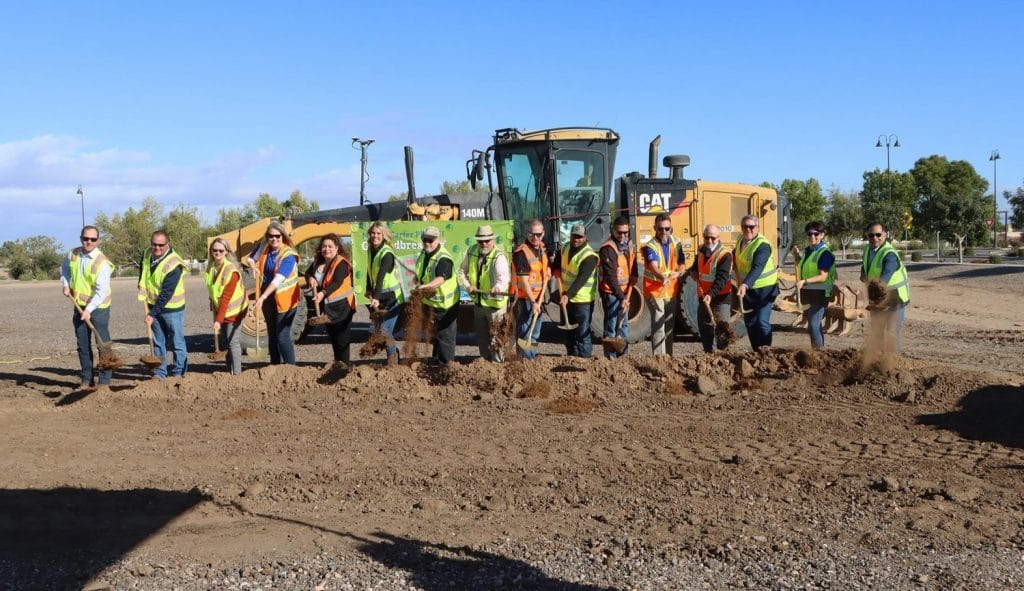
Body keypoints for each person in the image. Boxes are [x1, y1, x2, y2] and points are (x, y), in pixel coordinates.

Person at [61, 225, 115, 392]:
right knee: (83, 344)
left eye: (92, 239)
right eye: (86, 238)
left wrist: (89, 310)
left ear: (97, 240)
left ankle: (104, 382)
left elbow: (101, 291)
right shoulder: (73, 254)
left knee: (102, 344)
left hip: (98, 308)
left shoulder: (102, 263)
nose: (89, 242)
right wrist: (65, 284)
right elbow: (64, 269)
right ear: (81, 238)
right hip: (79, 306)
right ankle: (86, 380)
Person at [247, 220, 301, 365]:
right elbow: (250, 258)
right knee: (272, 334)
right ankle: (275, 366)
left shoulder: (289, 255)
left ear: (283, 236)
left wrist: (263, 297)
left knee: (282, 336)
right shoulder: (264, 246)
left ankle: (291, 368)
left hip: (286, 300)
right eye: (271, 236)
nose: (274, 239)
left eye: (277, 236)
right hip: (269, 299)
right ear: (267, 236)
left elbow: (278, 280)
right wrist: (253, 267)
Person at [138, 229, 188, 378]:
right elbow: (143, 269)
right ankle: (160, 373)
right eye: (154, 244)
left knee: (177, 343)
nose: (157, 248)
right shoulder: (147, 253)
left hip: (172, 309)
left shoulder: (174, 263)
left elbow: (166, 293)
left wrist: (152, 314)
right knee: (159, 342)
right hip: (153, 304)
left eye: (161, 245)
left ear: (168, 244)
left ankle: (179, 373)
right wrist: (141, 285)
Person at [459, 224, 510, 362]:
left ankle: (497, 366)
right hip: (479, 305)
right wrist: (468, 285)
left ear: (493, 240)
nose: (484, 244)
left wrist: (498, 288)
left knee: (496, 340)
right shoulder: (472, 251)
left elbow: (503, 278)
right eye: (481, 241)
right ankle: (484, 366)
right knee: (482, 338)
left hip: (495, 307)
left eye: (487, 240)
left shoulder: (498, 257)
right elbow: (462, 272)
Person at [860, 222, 910, 353]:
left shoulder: (890, 254)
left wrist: (876, 289)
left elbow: (885, 276)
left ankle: (892, 365)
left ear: (885, 235)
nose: (875, 238)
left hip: (895, 298)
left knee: (892, 333)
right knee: (877, 331)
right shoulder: (867, 250)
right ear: (867, 236)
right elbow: (866, 267)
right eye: (871, 235)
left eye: (878, 234)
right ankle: (875, 361)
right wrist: (864, 276)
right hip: (877, 297)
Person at [413, 226, 458, 365]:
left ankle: (447, 367)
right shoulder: (424, 254)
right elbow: (421, 274)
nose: (427, 243)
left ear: (438, 240)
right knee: (436, 335)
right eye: (425, 239)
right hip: (431, 304)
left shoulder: (444, 258)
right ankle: (437, 361)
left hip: (446, 306)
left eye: (431, 240)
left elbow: (441, 278)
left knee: (446, 337)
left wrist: (424, 287)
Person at [306, 234, 355, 363]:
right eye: (324, 246)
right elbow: (308, 272)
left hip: (343, 306)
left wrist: (323, 293)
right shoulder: (319, 262)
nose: (327, 249)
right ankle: (337, 364)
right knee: (333, 338)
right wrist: (310, 278)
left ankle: (344, 366)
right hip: (329, 307)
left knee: (341, 339)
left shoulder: (341, 263)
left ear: (337, 248)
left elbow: (337, 282)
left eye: (330, 246)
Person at [642, 213, 686, 356]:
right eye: (660, 229)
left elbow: (682, 264)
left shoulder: (676, 243)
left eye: (667, 229)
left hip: (671, 290)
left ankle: (668, 358)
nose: (664, 232)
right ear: (655, 228)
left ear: (671, 228)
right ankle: (659, 359)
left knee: (669, 325)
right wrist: (662, 277)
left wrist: (678, 273)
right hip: (654, 290)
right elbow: (654, 266)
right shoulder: (651, 246)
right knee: (659, 324)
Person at [734, 215, 779, 350]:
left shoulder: (763, 246)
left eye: (751, 227)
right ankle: (756, 351)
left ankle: (766, 352)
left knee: (762, 322)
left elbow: (757, 267)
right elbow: (736, 255)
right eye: (745, 226)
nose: (748, 229)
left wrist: (745, 284)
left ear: (757, 228)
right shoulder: (740, 239)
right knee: (750, 322)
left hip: (765, 290)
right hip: (748, 290)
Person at [364, 221, 405, 366]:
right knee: (383, 330)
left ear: (384, 235)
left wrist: (376, 297)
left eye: (378, 233)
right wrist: (368, 288)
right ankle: (393, 357)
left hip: (393, 298)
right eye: (373, 233)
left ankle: (393, 361)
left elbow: (381, 275)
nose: (375, 236)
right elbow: (369, 271)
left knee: (385, 331)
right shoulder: (371, 250)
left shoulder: (387, 253)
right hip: (381, 296)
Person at [688, 224, 733, 353]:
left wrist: (711, 294)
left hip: (721, 298)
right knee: (705, 328)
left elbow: (722, 279)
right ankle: (709, 355)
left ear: (718, 238)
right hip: (703, 296)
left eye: (713, 238)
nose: (709, 241)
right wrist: (693, 271)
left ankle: (723, 356)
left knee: (722, 329)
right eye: (706, 237)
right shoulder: (701, 250)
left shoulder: (725, 255)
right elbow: (696, 266)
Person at [557, 224, 599, 358]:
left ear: (585, 237)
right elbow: (557, 263)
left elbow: (581, 280)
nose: (576, 239)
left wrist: (567, 295)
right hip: (566, 297)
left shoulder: (589, 256)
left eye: (580, 237)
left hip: (582, 301)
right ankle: (572, 358)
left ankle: (584, 360)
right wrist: (554, 270)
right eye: (574, 236)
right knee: (569, 334)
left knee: (582, 334)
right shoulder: (565, 247)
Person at [205, 238, 245, 374]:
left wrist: (218, 320)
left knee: (232, 342)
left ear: (227, 252)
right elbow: (214, 291)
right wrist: (214, 308)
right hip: (222, 310)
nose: (217, 253)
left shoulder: (231, 271)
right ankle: (230, 371)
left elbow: (226, 297)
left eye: (221, 250)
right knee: (225, 343)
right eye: (214, 250)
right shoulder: (211, 268)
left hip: (235, 311)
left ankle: (237, 374)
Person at [598, 215, 636, 358]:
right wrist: (621, 297)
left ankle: (623, 357)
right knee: (612, 325)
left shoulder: (629, 244)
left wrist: (635, 277)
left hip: (626, 291)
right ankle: (610, 358)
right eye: (619, 232)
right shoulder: (608, 249)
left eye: (625, 233)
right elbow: (611, 277)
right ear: (613, 231)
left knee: (623, 326)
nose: (622, 236)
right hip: (611, 293)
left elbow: (633, 262)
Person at [511, 219, 549, 359]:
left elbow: (540, 270)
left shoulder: (541, 249)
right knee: (525, 334)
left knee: (534, 335)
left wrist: (547, 271)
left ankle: (531, 361)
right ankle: (525, 363)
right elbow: (524, 281)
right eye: (532, 234)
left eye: (538, 234)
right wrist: (533, 302)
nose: (535, 237)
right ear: (527, 233)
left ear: (543, 234)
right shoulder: (521, 253)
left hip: (538, 299)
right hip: (526, 300)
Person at [795, 221, 836, 350]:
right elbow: (803, 268)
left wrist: (804, 281)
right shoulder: (808, 251)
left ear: (822, 235)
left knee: (813, 324)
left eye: (816, 234)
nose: (812, 236)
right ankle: (818, 351)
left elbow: (823, 276)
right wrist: (796, 256)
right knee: (814, 326)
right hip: (808, 293)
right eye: (809, 234)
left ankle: (819, 353)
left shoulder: (825, 253)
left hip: (821, 294)